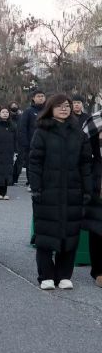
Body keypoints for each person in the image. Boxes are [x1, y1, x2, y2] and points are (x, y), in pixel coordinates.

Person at [29, 94, 92, 290]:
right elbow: (34, 162)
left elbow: (85, 164)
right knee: (46, 234)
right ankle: (46, 275)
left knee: (70, 234)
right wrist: (36, 187)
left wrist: (87, 189)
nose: (64, 109)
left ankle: (64, 275)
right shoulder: (42, 132)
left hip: (73, 191)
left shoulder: (79, 134)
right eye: (59, 106)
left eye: (67, 106)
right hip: (47, 191)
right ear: (50, 109)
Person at [81, 109, 102, 288]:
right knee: (98, 226)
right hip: (99, 177)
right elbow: (83, 152)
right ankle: (99, 271)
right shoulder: (95, 120)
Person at [19, 89, 46, 190]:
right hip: (31, 143)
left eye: (42, 96)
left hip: (45, 143)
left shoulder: (48, 110)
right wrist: (25, 143)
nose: (41, 98)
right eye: (38, 96)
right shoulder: (28, 111)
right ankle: (31, 183)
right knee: (32, 164)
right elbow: (22, 128)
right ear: (33, 98)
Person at [0, 106, 17, 200]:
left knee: (7, 172)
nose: (5, 114)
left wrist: (16, 152)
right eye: (3, 112)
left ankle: (4, 192)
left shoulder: (13, 126)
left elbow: (16, 139)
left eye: (7, 112)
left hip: (9, 152)